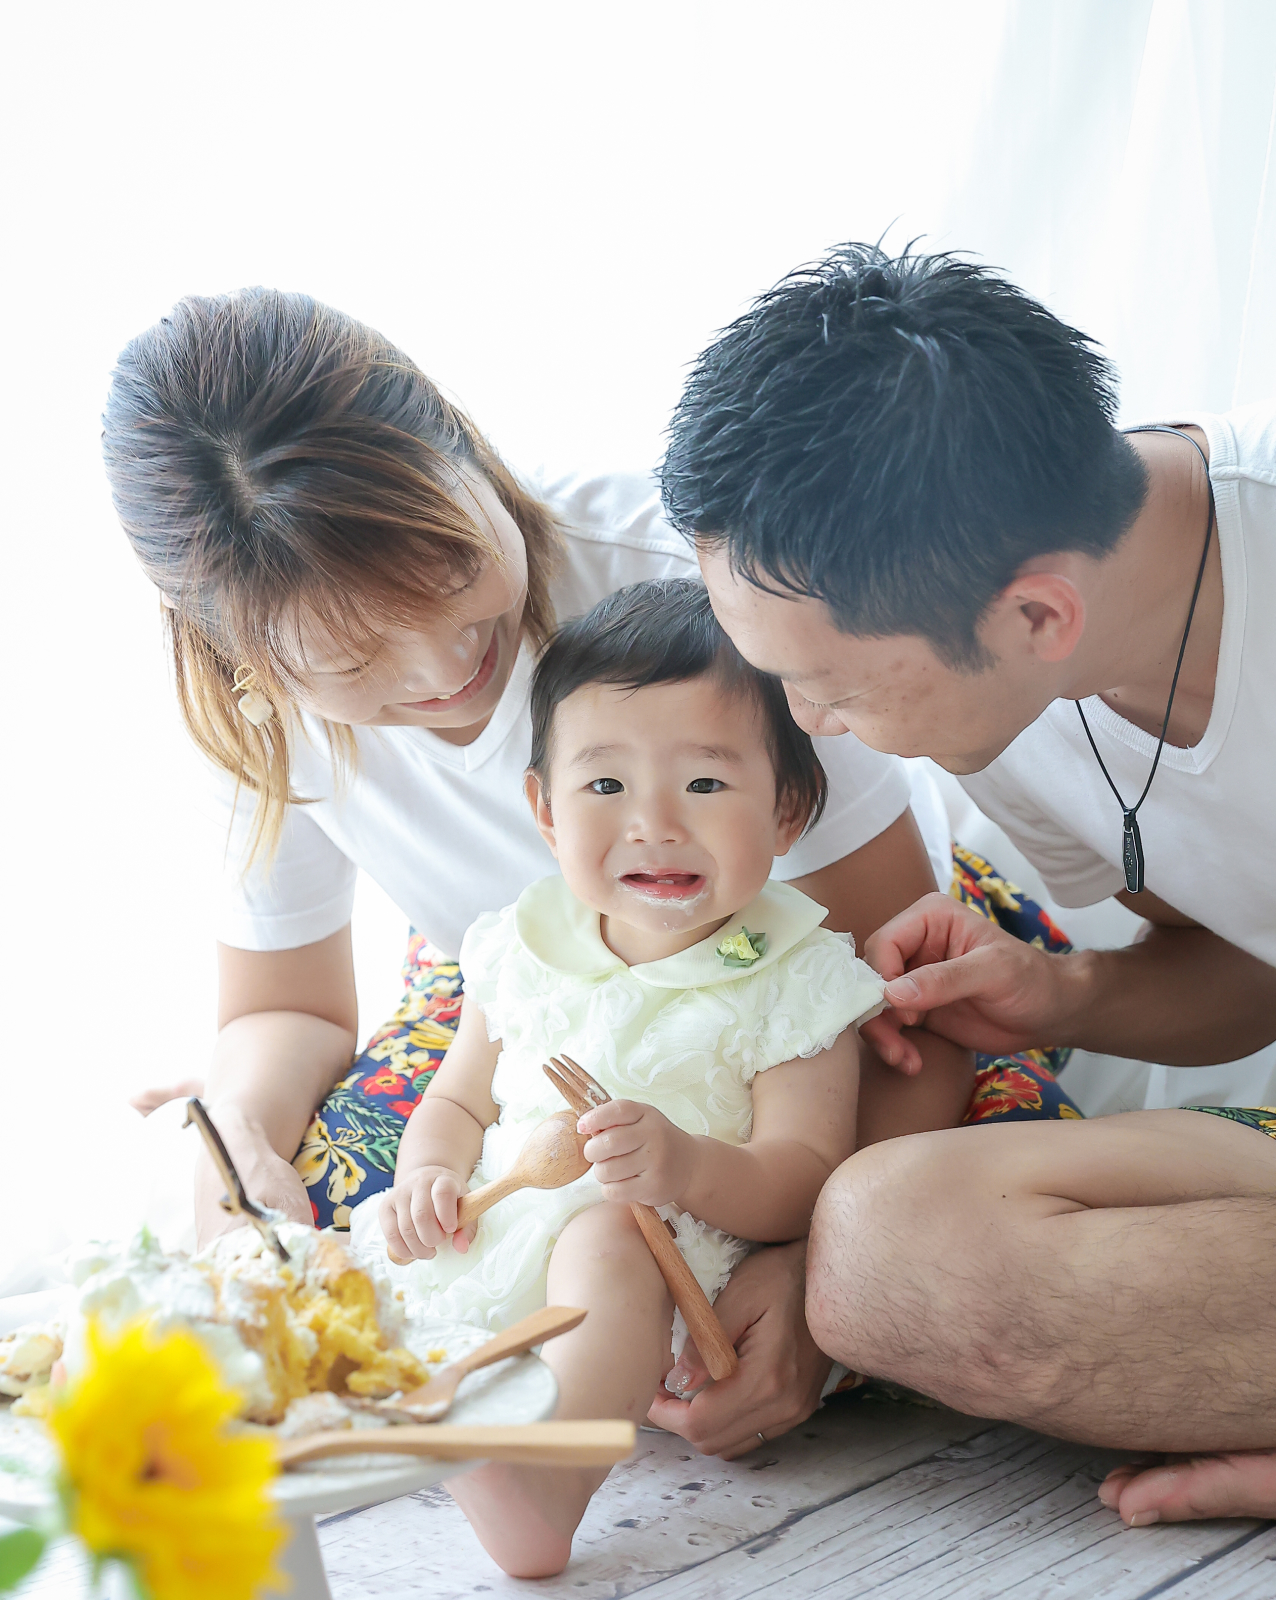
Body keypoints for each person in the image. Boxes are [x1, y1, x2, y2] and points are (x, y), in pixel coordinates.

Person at [103, 286, 1076, 1462]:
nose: (444, 666)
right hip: (544, 995)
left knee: (956, 1239)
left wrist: (806, 1271)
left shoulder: (703, 584)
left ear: (466, 449)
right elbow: (288, 1010)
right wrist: (239, 1141)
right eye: (354, 660)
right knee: (346, 1216)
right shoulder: (263, 723)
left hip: (820, 975)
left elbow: (899, 997)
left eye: (452, 568)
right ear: (245, 661)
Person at [658, 242, 1276, 1526]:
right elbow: (1247, 973)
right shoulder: (1012, 693)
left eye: (829, 685)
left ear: (1036, 617)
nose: (810, 725)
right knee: (882, 1246)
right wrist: (1066, 993)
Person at [363, 579, 882, 1575]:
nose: (652, 823)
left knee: (609, 1237)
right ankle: (435, 1407)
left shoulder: (800, 976)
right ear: (544, 811)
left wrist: (687, 1165)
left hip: (683, 1275)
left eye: (705, 784)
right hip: (511, 1234)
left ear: (787, 809)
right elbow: (459, 1098)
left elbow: (809, 1175)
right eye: (604, 786)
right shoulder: (520, 945)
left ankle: (546, 1488)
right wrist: (427, 1174)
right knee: (367, 1265)